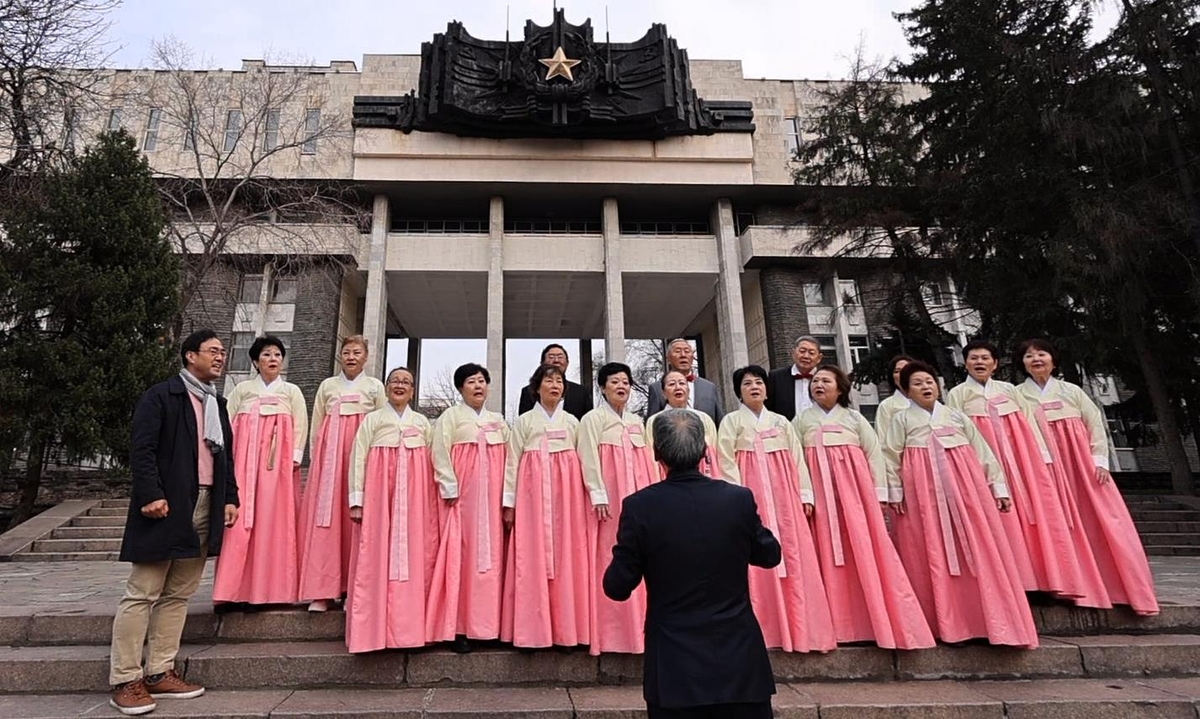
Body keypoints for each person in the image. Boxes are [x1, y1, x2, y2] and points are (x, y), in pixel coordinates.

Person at [605, 409, 781, 719]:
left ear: (657, 451)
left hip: (675, 669)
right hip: (740, 662)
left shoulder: (639, 507)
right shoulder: (737, 499)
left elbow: (617, 586)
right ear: (704, 450)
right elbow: (770, 554)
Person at [109, 330, 240, 716]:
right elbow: (142, 448)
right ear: (189, 356)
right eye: (212, 351)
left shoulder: (217, 403)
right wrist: (150, 494)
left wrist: (229, 497)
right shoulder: (161, 396)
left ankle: (160, 670)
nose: (219, 357)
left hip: (205, 503)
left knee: (180, 592)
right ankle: (125, 678)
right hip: (167, 503)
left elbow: (224, 458)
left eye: (222, 352)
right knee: (143, 590)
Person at [880, 361, 1039, 648]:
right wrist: (895, 493)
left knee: (981, 551)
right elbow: (890, 457)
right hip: (924, 501)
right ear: (906, 390)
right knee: (932, 552)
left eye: (929, 381)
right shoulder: (901, 420)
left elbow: (984, 453)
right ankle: (945, 623)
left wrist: (998, 488)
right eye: (917, 383)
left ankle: (993, 622)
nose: (925, 387)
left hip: (968, 497)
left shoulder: (955, 417)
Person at [947, 341, 1108, 606]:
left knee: (1036, 522)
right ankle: (1012, 583)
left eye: (985, 358)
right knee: (1002, 522)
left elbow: (1031, 425)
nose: (979, 362)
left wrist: (1042, 460)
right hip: (985, 469)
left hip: (1023, 468)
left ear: (995, 363)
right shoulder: (958, 394)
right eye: (973, 358)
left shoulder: (1010, 391)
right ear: (965, 364)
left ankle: (1045, 581)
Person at [793, 365, 935, 649]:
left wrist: (879, 493)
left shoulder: (855, 420)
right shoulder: (801, 421)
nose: (818, 385)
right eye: (816, 381)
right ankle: (833, 623)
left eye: (826, 381)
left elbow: (874, 455)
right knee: (825, 553)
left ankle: (874, 619)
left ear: (840, 388)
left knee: (865, 550)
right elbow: (795, 458)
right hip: (822, 503)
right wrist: (805, 494)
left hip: (855, 498)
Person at [1014, 338, 1159, 615]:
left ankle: (1118, 586)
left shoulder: (1072, 392)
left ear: (1054, 359)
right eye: (1028, 356)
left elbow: (1095, 424)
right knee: (1055, 525)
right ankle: (1067, 584)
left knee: (1101, 520)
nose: (1036, 359)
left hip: (1080, 467)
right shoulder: (1019, 395)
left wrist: (1099, 461)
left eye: (1041, 353)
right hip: (1044, 471)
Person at [716, 365, 836, 653]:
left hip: (785, 497)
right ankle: (760, 628)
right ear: (739, 393)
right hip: (750, 495)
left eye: (759, 382)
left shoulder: (782, 422)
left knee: (793, 553)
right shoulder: (732, 422)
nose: (754, 387)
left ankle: (801, 628)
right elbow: (725, 461)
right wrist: (736, 497)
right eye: (747, 384)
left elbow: (797, 459)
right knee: (751, 558)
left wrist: (804, 493)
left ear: (767, 389)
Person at [344, 366, 439, 653]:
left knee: (415, 557)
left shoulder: (422, 423)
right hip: (379, 500)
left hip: (415, 503)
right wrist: (357, 499)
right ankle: (372, 631)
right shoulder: (372, 420)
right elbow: (358, 457)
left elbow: (434, 462)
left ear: (412, 390)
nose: (400, 385)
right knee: (375, 556)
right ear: (386, 388)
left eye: (406, 382)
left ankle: (410, 630)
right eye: (395, 380)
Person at [500, 364, 591, 649]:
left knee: (568, 557)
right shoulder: (524, 423)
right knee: (530, 557)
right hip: (532, 501)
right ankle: (530, 631)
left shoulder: (573, 424)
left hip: (566, 503)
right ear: (536, 388)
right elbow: (512, 463)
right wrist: (509, 504)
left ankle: (567, 631)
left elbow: (585, 460)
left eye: (559, 380)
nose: (555, 384)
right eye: (548, 380)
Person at [212, 336, 307, 607]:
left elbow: (300, 424)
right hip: (243, 463)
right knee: (238, 521)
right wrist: (226, 463)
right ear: (255, 361)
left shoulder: (291, 392)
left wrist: (295, 457)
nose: (273, 359)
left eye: (277, 354)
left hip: (277, 466)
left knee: (274, 522)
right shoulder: (242, 390)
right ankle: (231, 591)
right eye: (267, 354)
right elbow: (226, 427)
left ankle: (272, 591)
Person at [298, 336, 387, 613]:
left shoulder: (374, 387)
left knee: (358, 520)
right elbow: (317, 425)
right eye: (346, 352)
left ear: (366, 357)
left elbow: (381, 424)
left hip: (361, 459)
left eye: (356, 352)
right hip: (331, 461)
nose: (351, 357)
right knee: (328, 521)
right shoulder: (327, 386)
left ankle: (354, 589)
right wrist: (317, 461)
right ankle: (322, 590)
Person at [427, 363, 510, 653]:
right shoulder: (450, 417)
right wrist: (450, 486)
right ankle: (460, 627)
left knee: (494, 559)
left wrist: (508, 499)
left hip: (492, 503)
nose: (478, 386)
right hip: (462, 503)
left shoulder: (498, 421)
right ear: (461, 388)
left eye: (482, 381)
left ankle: (490, 627)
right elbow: (439, 452)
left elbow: (510, 460)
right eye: (471, 382)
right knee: (462, 559)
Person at [577, 362, 658, 655]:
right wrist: (598, 493)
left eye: (625, 381)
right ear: (602, 387)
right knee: (610, 556)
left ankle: (643, 629)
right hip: (608, 504)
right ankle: (611, 633)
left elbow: (649, 461)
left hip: (639, 500)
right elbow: (587, 457)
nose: (621, 386)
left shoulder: (638, 422)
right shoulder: (593, 420)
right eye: (614, 382)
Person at [645, 369, 721, 479]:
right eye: (671, 384)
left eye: (682, 383)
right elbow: (651, 457)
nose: (677, 387)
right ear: (664, 393)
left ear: (688, 390)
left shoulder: (704, 418)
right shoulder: (654, 421)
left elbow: (713, 453)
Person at [646, 338, 723, 424]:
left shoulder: (709, 387)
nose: (683, 355)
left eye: (687, 351)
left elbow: (719, 422)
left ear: (693, 357)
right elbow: (652, 425)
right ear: (668, 359)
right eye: (678, 351)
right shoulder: (657, 388)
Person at [517, 343, 594, 421]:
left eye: (560, 357)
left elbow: (587, 422)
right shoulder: (527, 392)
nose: (556, 360)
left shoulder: (581, 392)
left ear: (567, 363)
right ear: (542, 363)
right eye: (551, 357)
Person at [765, 335, 822, 420]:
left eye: (811, 353)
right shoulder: (776, 377)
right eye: (802, 351)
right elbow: (767, 409)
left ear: (819, 358)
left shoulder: (827, 378)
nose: (806, 356)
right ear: (793, 353)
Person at [874, 354, 915, 432]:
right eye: (897, 371)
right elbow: (882, 439)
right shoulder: (886, 406)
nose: (902, 374)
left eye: (906, 369)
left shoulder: (930, 403)